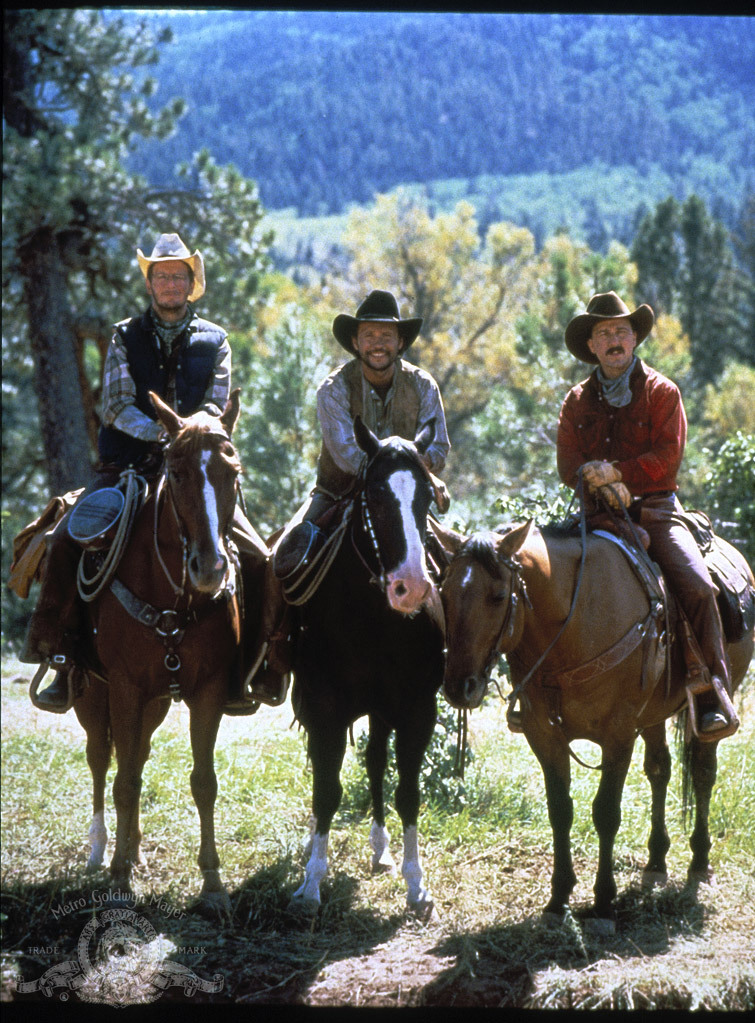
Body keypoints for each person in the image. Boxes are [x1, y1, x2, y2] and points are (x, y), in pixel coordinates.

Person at [20, 232, 290, 712]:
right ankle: (60, 653)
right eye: (161, 276)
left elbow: (216, 400)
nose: (169, 283)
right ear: (150, 284)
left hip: (199, 468)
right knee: (67, 537)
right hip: (129, 466)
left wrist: (189, 436)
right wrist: (165, 436)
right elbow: (117, 406)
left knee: (260, 559)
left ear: (191, 284)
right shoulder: (125, 336)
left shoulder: (217, 340)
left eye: (178, 276)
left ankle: (250, 669)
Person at [556, 290, 737, 739]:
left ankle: (711, 692)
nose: (614, 340)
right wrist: (595, 478)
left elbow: (668, 457)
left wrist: (619, 471)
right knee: (536, 573)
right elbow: (567, 465)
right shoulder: (576, 401)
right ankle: (535, 690)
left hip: (656, 511)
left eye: (621, 331)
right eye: (604, 334)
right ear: (592, 347)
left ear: (634, 337)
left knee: (697, 586)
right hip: (596, 516)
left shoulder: (663, 393)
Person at [274, 289, 450, 574]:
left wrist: (421, 470)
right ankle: (272, 619)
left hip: (403, 497)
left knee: (457, 567)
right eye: (369, 336)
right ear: (355, 342)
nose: (377, 345)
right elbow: (348, 456)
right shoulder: (333, 389)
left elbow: (438, 447)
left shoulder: (423, 385)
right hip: (336, 492)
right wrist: (407, 465)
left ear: (400, 342)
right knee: (281, 558)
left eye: (386, 337)